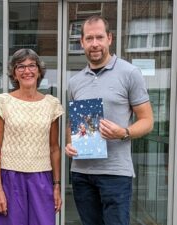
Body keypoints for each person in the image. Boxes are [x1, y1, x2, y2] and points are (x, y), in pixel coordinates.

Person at [65, 15, 154, 225]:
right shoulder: (75, 82)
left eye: (99, 37)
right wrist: (70, 143)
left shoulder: (130, 73)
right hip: (81, 173)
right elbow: (73, 124)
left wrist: (124, 132)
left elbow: (147, 120)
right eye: (89, 38)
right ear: (82, 42)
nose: (95, 44)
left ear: (109, 39)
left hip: (115, 173)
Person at [0, 48, 64, 225]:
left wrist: (57, 186)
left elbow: (54, 149)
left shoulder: (52, 104)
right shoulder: (2, 101)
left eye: (32, 66)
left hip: (42, 178)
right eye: (20, 66)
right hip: (10, 178)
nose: (27, 71)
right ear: (14, 73)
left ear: (39, 71)